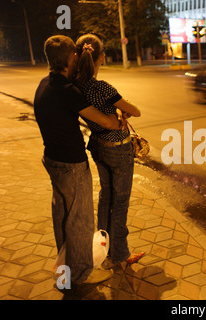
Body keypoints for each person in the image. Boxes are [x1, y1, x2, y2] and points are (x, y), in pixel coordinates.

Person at [34, 35, 122, 287]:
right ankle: (82, 273)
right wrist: (118, 121)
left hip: (52, 160)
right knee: (80, 221)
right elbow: (104, 122)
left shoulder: (44, 84)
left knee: (62, 216)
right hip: (72, 165)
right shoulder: (67, 91)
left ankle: (64, 269)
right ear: (72, 58)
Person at [75, 33, 145, 268]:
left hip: (97, 145)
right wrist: (121, 112)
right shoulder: (102, 87)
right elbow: (135, 111)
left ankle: (101, 249)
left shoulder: (78, 86)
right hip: (117, 149)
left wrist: (115, 113)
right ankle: (120, 254)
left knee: (106, 197)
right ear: (101, 58)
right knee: (121, 201)